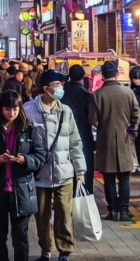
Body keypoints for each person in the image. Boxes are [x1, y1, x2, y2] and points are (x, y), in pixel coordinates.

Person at [0, 91, 48, 261]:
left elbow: (40, 155)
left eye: (15, 109)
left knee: (20, 236)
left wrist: (26, 160)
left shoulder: (28, 128)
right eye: (7, 109)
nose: (12, 113)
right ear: (1, 108)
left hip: (21, 190)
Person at [23, 70, 85, 261]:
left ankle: (65, 250)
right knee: (41, 216)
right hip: (39, 174)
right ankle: (46, 249)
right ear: (46, 88)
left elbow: (75, 142)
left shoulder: (66, 111)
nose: (61, 88)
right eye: (57, 85)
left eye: (61, 85)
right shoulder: (28, 110)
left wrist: (80, 170)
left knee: (64, 214)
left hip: (64, 172)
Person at [90, 60, 140, 222]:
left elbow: (92, 120)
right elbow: (136, 114)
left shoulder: (97, 95)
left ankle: (112, 210)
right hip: (125, 139)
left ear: (102, 75)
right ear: (117, 74)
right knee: (124, 177)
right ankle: (124, 210)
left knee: (109, 178)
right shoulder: (128, 93)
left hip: (105, 140)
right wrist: (132, 129)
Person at [61, 64, 95, 195]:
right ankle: (84, 193)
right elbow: (91, 117)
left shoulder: (62, 91)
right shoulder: (85, 94)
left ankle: (67, 193)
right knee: (85, 164)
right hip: (83, 134)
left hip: (64, 133)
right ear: (83, 77)